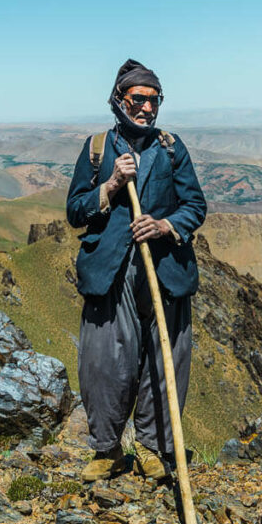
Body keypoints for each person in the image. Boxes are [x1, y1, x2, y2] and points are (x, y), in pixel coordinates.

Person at [66, 59, 207, 482]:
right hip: (111, 273)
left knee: (164, 364)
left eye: (154, 100)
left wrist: (165, 225)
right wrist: (109, 185)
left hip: (163, 271)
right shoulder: (96, 149)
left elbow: (195, 206)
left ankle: (152, 449)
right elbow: (75, 210)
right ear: (118, 99)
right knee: (105, 363)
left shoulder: (170, 147)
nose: (147, 108)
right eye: (138, 99)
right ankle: (107, 450)